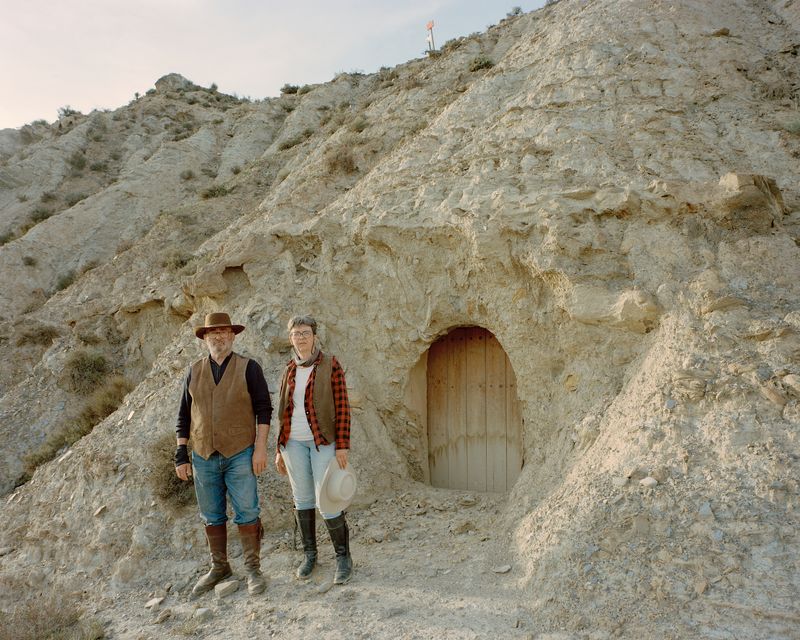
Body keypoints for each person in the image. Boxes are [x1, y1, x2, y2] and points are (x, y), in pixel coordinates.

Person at [174, 312, 272, 596]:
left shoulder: (249, 367)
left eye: (224, 331)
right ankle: (220, 567)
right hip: (203, 454)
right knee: (211, 515)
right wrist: (181, 453)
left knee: (248, 511)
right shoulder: (193, 371)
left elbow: (264, 410)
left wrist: (260, 449)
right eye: (212, 332)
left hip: (240, 452)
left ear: (232, 336)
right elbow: (183, 416)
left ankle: (253, 569)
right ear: (205, 338)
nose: (218, 336)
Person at [275, 314, 354, 584]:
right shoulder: (289, 369)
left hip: (323, 442)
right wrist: (279, 448)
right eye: (296, 333)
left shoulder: (330, 364)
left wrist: (342, 446)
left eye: (306, 333)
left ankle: (343, 557)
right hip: (293, 443)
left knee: (327, 498)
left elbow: (343, 407)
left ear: (315, 336)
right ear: (291, 338)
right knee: (303, 499)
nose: (301, 338)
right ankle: (310, 555)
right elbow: (283, 411)